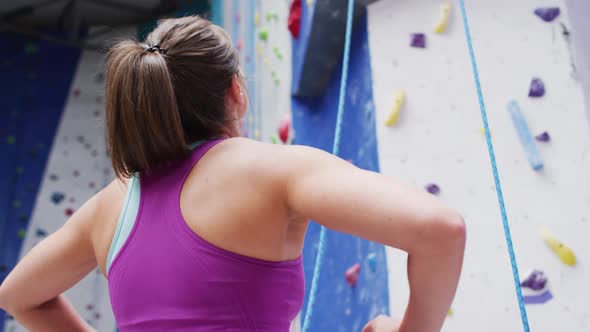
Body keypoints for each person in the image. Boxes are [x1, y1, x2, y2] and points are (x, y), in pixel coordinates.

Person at [0, 16, 465, 332]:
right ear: (236, 92)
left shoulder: (109, 206)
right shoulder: (272, 169)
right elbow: (440, 231)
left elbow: (19, 296)